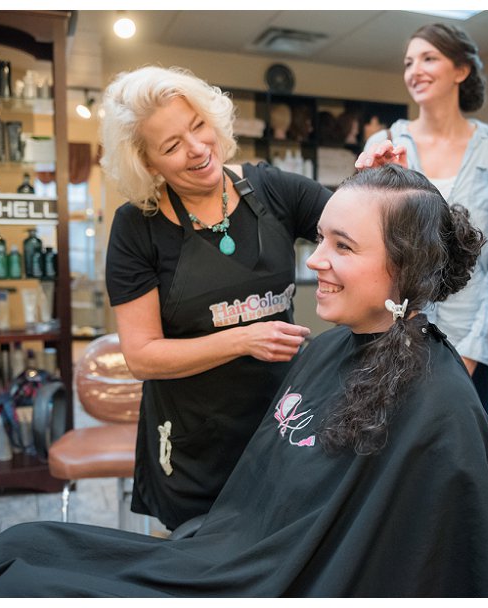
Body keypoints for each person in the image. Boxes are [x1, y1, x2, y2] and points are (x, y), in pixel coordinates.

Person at [0, 165, 488, 598]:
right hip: (234, 555)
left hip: (278, 583)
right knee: (16, 547)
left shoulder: (438, 403)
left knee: (27, 580)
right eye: (322, 240)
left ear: (406, 265)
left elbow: (440, 566)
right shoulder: (327, 349)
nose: (314, 263)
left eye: (344, 246)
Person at [101, 66, 331, 530]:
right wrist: (244, 339)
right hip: (192, 445)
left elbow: (356, 225)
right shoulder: (136, 228)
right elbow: (142, 357)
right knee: (195, 567)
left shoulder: (274, 189)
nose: (197, 149)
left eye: (198, 126)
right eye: (171, 146)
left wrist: (376, 179)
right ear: (147, 164)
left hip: (280, 427)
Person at [357, 23, 488, 411]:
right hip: (394, 332)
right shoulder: (384, 146)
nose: (415, 70)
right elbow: (368, 242)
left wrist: (474, 352)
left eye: (429, 58)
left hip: (472, 342)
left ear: (461, 70)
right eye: (409, 61)